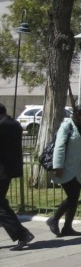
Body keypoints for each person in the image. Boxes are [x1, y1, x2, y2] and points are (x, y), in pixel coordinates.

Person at [47, 104, 81, 237]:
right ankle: (54, 219)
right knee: (72, 197)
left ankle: (67, 227)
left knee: (75, 198)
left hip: (79, 169)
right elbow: (59, 147)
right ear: (78, 115)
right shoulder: (67, 126)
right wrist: (58, 167)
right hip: (66, 168)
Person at [0, 103, 34, 250]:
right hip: (8, 170)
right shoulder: (14, 124)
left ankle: (22, 234)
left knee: (1, 206)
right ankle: (22, 233)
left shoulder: (2, 126)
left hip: (1, 171)